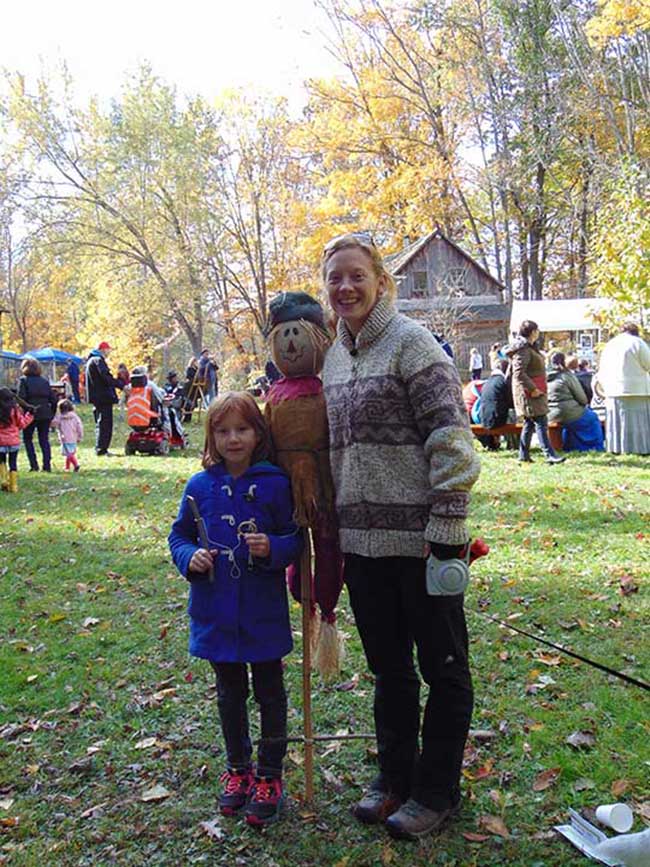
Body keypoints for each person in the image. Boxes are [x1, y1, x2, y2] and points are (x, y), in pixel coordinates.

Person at [321, 233, 481, 841]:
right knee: (389, 671)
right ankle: (395, 780)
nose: (346, 288)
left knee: (443, 668)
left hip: (422, 542)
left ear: (381, 280)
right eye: (335, 277)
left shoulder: (414, 346)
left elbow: (451, 440)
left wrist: (446, 527)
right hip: (362, 546)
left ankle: (436, 791)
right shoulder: (333, 359)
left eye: (357, 275)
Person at [168, 392, 302, 827]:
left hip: (261, 611)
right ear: (211, 436)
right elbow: (179, 536)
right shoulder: (199, 486)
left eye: (242, 429)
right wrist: (190, 558)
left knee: (270, 692)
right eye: (223, 431)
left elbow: (295, 539)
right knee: (229, 694)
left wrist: (274, 547)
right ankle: (238, 768)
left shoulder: (276, 484)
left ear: (258, 433)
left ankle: (270, 774)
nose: (233, 439)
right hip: (217, 610)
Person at [506, 321, 566, 464]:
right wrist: (533, 389)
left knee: (529, 423)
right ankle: (549, 454)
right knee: (541, 421)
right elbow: (519, 373)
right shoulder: (523, 349)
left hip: (534, 390)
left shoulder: (529, 347)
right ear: (532, 332)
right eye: (537, 330)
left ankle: (523, 455)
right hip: (529, 392)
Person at [594, 322, 650, 455]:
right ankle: (639, 448)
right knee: (638, 422)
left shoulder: (610, 345)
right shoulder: (638, 343)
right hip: (636, 390)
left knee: (617, 423)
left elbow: (601, 368)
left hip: (612, 390)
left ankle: (616, 447)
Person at [547, 353, 604, 452]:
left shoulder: (546, 377)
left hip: (550, 414)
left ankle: (569, 446)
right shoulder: (567, 376)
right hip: (567, 412)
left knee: (571, 423)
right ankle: (594, 447)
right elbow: (582, 399)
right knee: (592, 418)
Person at [18, 357, 57, 472]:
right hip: (45, 413)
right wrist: (52, 414)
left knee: (28, 439)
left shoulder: (24, 381)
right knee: (44, 439)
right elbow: (53, 400)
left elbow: (21, 399)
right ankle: (46, 465)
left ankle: (34, 465)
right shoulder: (44, 381)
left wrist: (26, 411)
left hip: (30, 414)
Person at [85, 341, 122, 456]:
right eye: (108, 350)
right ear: (103, 349)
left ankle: (100, 447)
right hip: (103, 397)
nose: (108, 352)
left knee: (100, 423)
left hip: (97, 397)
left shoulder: (91, 360)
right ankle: (102, 449)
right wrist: (120, 385)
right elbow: (106, 377)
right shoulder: (98, 360)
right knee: (105, 424)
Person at [0, 388, 33, 493]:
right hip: (14, 441)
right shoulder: (15, 410)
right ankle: (14, 486)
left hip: (0, 442)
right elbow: (22, 424)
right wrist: (30, 416)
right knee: (13, 462)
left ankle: (3, 479)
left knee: (1, 461)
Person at [50, 398, 84, 471]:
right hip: (74, 437)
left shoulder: (59, 417)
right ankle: (67, 467)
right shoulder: (75, 417)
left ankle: (76, 464)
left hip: (64, 438)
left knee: (68, 453)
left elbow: (53, 423)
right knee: (70, 452)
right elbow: (79, 426)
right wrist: (80, 436)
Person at [163, 370, 186, 440]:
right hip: (167, 406)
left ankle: (180, 432)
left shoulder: (179, 387)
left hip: (176, 407)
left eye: (175, 377)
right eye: (173, 378)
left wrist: (172, 403)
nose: (175, 379)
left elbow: (180, 400)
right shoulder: (166, 387)